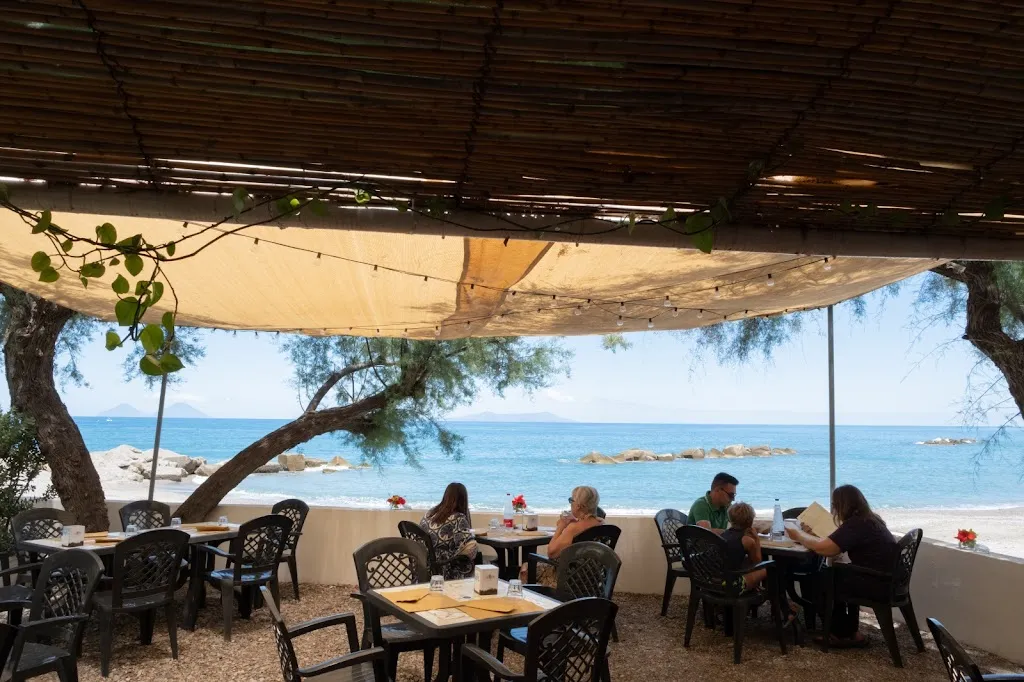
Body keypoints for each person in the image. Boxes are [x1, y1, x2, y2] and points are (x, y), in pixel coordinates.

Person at [786, 484, 897, 648]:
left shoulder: (856, 524)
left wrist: (799, 535)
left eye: (835, 505)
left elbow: (827, 550)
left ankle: (838, 632)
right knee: (828, 574)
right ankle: (849, 631)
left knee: (817, 579)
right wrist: (812, 536)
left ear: (842, 505)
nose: (834, 509)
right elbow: (832, 543)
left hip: (873, 583)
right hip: (885, 580)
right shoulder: (870, 519)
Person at [722, 502, 798, 623]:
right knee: (772, 569)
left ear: (730, 519)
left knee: (767, 570)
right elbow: (758, 562)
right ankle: (781, 605)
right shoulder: (747, 541)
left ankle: (776, 601)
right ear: (750, 521)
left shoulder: (724, 535)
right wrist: (756, 540)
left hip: (720, 579)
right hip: (734, 584)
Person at [520, 485, 603, 586]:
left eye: (571, 500)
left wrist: (562, 525)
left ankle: (529, 599)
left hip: (566, 579)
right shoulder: (602, 524)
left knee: (525, 568)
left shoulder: (574, 528)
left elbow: (551, 553)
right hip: (591, 579)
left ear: (578, 505)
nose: (570, 504)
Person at [419, 482, 478, 579]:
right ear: (463, 499)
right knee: (475, 555)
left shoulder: (430, 512)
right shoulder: (458, 518)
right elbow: (469, 547)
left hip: (423, 561)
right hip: (444, 565)